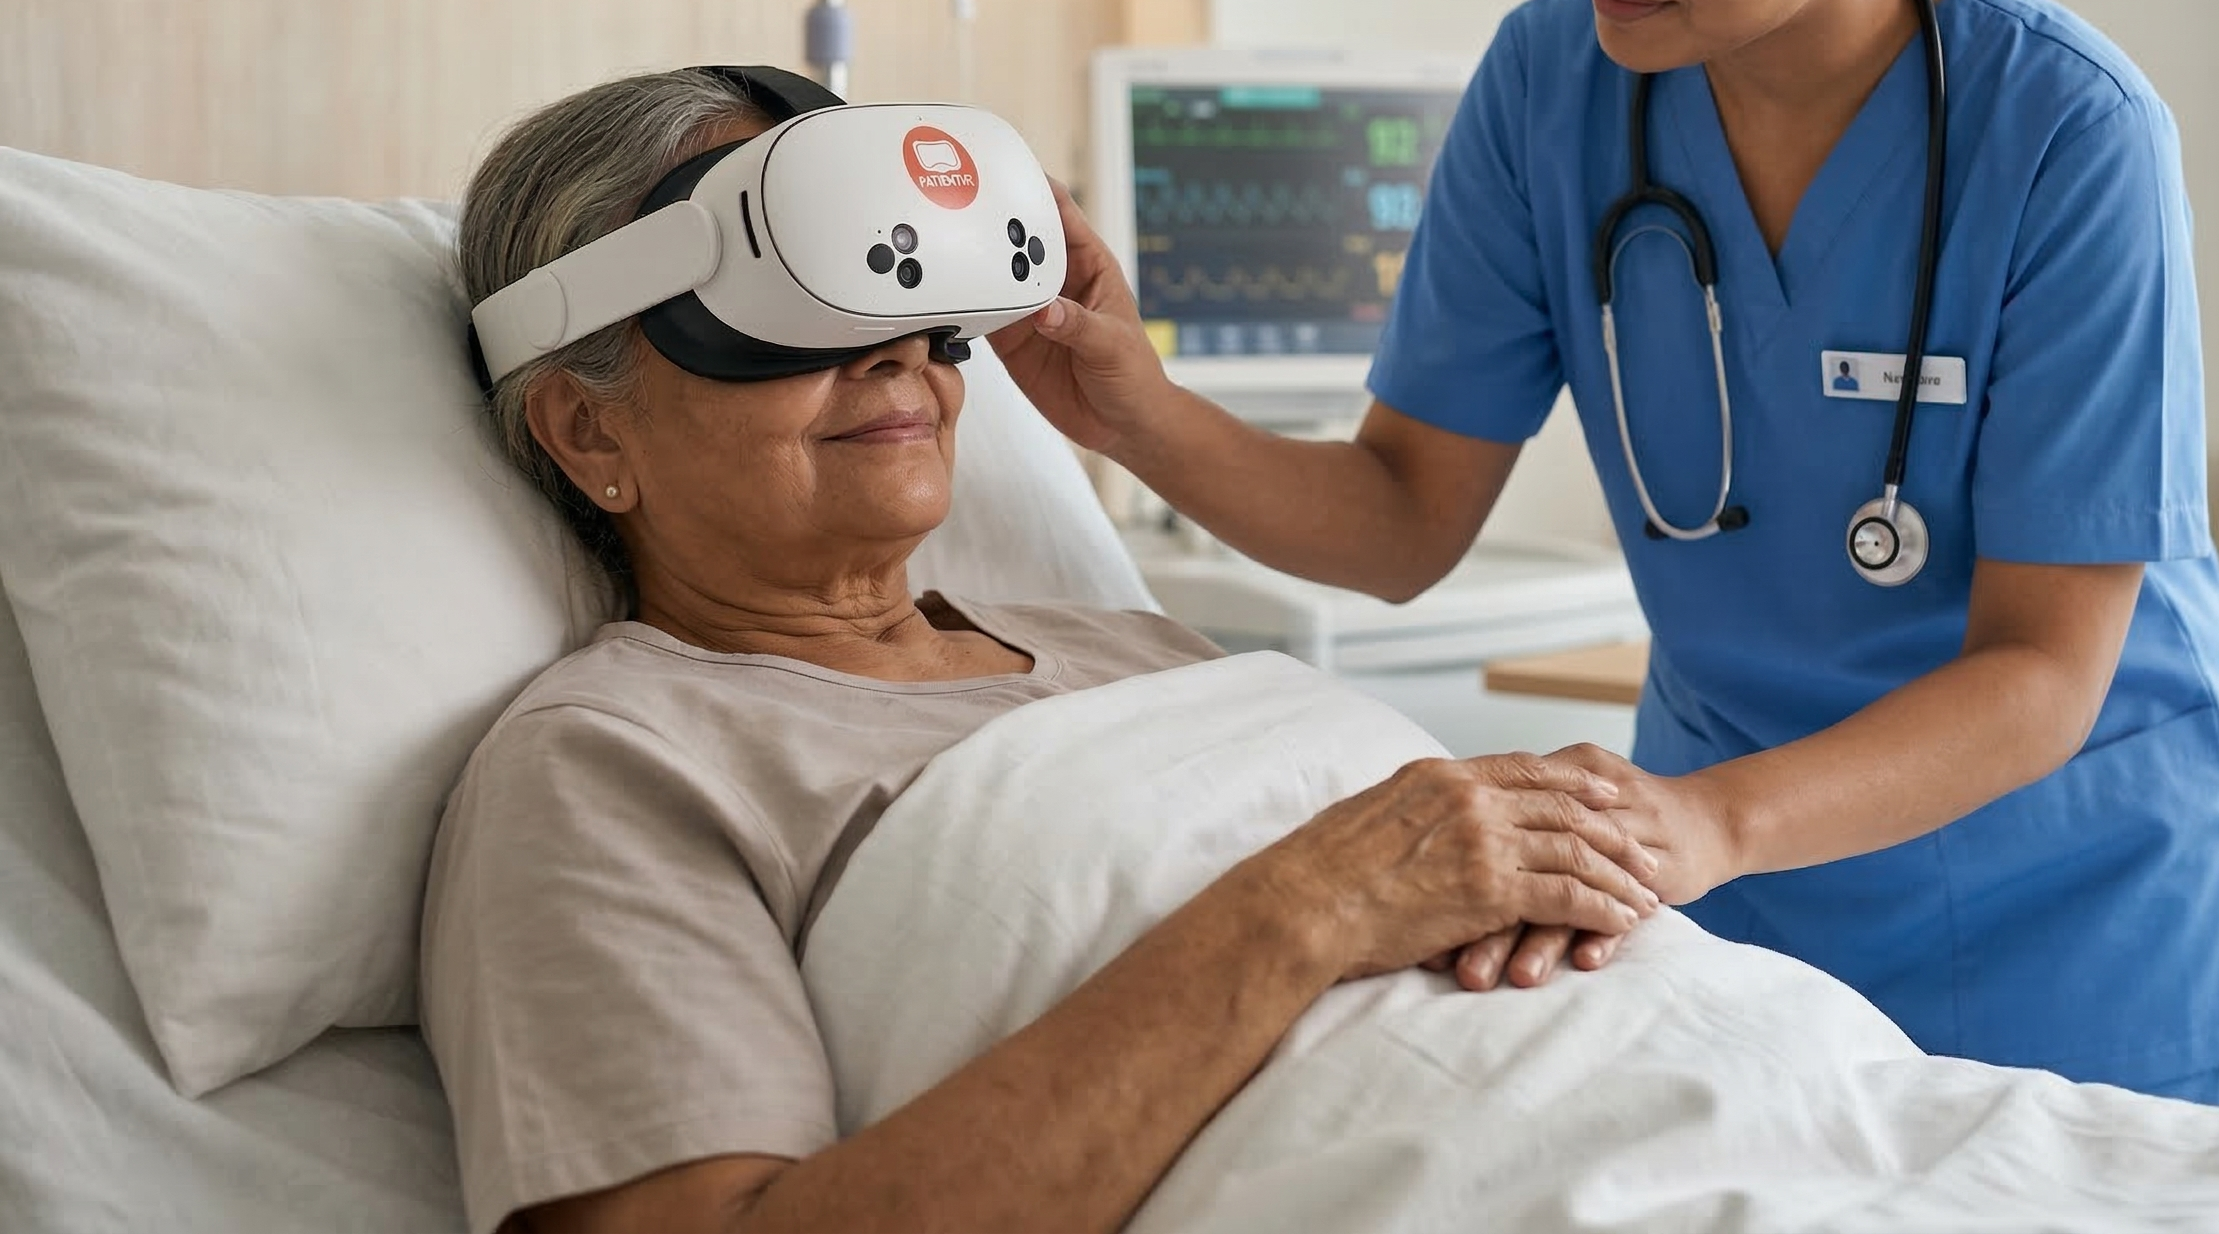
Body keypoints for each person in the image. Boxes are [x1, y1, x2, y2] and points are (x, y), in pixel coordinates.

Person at [993, 0, 2219, 1108]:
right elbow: (1400, 520)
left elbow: (2040, 673)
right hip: (1713, 908)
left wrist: (1706, 820)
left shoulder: (2067, 136)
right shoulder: (1552, 86)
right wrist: (1130, 406)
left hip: (2066, 919)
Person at [420, 66, 1662, 1234]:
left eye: (908, 291)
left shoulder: (1137, 646)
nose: (895, 348)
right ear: (586, 431)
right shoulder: (611, 764)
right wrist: (1322, 897)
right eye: (791, 300)